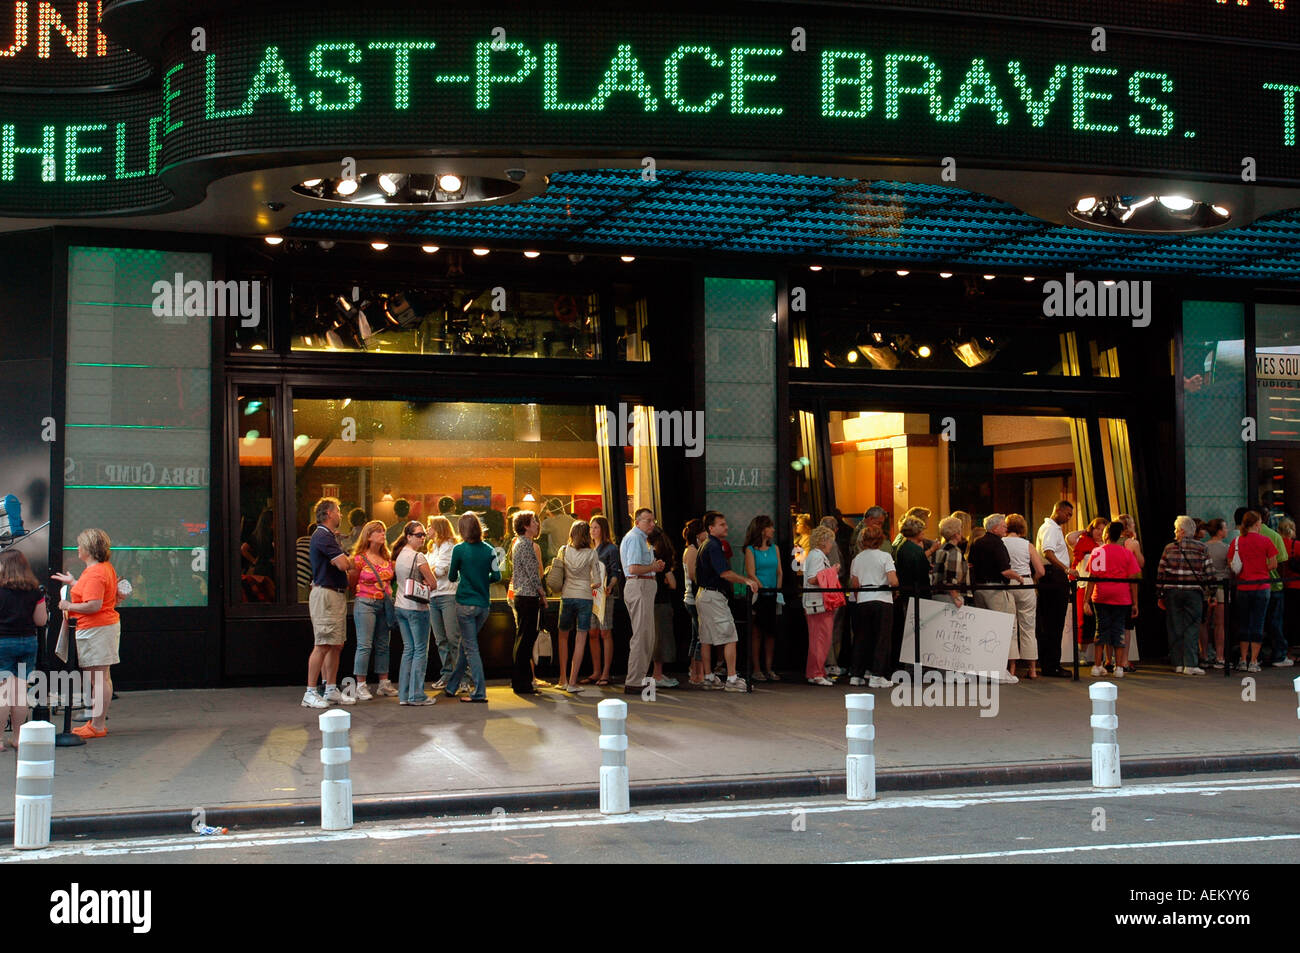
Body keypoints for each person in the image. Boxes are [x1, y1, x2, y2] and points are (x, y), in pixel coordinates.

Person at [51, 527, 123, 735]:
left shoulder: (94, 573)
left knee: (98, 679)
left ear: (89, 549)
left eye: (80, 544)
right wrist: (73, 582)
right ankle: (96, 722)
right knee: (101, 677)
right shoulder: (103, 568)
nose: (77, 548)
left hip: (96, 629)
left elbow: (93, 605)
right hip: (102, 627)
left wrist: (68, 606)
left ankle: (97, 725)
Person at [297, 499, 356, 708]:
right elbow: (344, 563)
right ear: (329, 513)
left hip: (335, 594)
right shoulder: (322, 536)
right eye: (339, 511)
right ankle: (310, 692)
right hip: (326, 595)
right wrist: (344, 561)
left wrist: (344, 561)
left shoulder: (329, 537)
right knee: (322, 643)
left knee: (336, 644)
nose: (341, 515)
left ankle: (330, 688)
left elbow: (343, 563)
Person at [696, 510, 758, 691]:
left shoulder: (705, 544)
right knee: (730, 635)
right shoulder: (714, 546)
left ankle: (708, 677)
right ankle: (731, 679)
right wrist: (746, 580)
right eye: (722, 524)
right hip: (713, 595)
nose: (726, 527)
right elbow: (724, 572)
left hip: (703, 595)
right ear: (711, 527)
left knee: (706, 637)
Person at [443, 513, 500, 703]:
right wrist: (483, 579)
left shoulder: (459, 549)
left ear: (462, 530)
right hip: (483, 605)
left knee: (470, 648)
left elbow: (451, 577)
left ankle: (479, 692)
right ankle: (452, 686)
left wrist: (465, 578)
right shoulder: (490, 549)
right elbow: (497, 576)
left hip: (465, 603)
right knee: (466, 645)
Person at [0, 550, 47, 750]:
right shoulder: (35, 590)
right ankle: (19, 738)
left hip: (2, 642)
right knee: (19, 693)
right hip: (27, 642)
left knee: (3, 693)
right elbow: (41, 620)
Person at [1156, 516, 1214, 676]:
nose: (1175, 532)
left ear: (1181, 531)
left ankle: (1178, 663)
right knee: (1192, 626)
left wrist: (1159, 593)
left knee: (1175, 626)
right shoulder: (1202, 548)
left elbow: (1161, 572)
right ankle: (1191, 663)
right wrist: (1212, 593)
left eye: (1176, 529)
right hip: (1193, 592)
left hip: (1172, 592)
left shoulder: (1169, 548)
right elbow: (1209, 573)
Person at [968, 515, 1021, 683]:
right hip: (995, 590)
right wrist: (1019, 578)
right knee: (1000, 631)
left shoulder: (978, 542)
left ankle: (984, 670)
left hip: (979, 589)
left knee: (984, 631)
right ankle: (999, 670)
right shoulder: (998, 544)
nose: (1006, 528)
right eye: (1003, 526)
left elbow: (971, 565)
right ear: (994, 528)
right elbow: (1005, 571)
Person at [349, 519, 397, 700]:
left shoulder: (387, 558)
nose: (382, 534)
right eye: (378, 531)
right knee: (365, 644)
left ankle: (383, 682)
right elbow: (352, 582)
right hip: (365, 602)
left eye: (383, 531)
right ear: (368, 536)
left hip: (384, 604)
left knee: (383, 644)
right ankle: (361, 684)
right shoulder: (359, 559)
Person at [1084, 521, 1140, 677]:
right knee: (1119, 630)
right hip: (1122, 597)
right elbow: (1133, 579)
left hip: (1100, 595)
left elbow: (1092, 577)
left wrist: (1086, 600)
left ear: (1106, 534)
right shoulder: (1127, 553)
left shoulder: (1097, 552)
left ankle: (1097, 665)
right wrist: (1135, 602)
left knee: (1100, 629)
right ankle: (1119, 668)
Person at [391, 521, 436, 705]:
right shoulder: (418, 557)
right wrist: (426, 584)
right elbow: (433, 583)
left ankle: (404, 695)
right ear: (408, 536)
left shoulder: (400, 554)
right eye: (418, 535)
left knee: (408, 649)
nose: (422, 538)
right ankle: (417, 695)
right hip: (417, 608)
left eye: (424, 534)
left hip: (400, 605)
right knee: (419, 651)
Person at [621, 508, 665, 696]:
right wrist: (653, 567)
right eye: (648, 520)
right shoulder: (635, 538)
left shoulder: (640, 539)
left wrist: (653, 567)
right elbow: (633, 568)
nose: (652, 524)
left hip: (643, 586)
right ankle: (634, 681)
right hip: (639, 586)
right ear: (637, 522)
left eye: (652, 520)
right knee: (642, 635)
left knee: (646, 635)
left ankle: (638, 678)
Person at [1228, 510, 1277, 673]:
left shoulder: (1236, 541)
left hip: (1243, 586)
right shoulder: (1266, 541)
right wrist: (1261, 568)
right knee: (1258, 622)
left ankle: (1243, 659)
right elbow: (1273, 564)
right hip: (1262, 586)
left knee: (1243, 623)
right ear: (1257, 524)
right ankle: (1254, 660)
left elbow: (1231, 564)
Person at [848, 524, 896, 688]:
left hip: (863, 599)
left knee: (861, 638)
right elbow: (893, 580)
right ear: (880, 539)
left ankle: (856, 674)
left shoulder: (857, 559)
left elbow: (854, 584)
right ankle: (877, 675)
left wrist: (859, 596)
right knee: (882, 638)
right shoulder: (885, 557)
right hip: (882, 599)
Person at [559, 520, 601, 692]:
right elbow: (597, 581)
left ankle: (562, 678)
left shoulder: (563, 550)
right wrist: (589, 585)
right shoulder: (592, 554)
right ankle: (573, 682)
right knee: (580, 639)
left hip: (566, 596)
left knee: (563, 637)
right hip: (584, 597)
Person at [426, 516, 467, 693]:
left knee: (453, 638)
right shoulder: (431, 548)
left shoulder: (449, 546)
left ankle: (463, 677)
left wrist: (428, 570)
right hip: (433, 596)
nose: (427, 529)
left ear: (439, 528)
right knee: (440, 639)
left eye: (430, 526)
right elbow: (430, 570)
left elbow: (441, 571)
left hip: (449, 595)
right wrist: (430, 570)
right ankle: (448, 673)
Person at [1035, 500, 1075, 678]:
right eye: (1067, 514)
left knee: (1050, 623)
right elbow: (1048, 552)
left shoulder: (1049, 528)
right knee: (1054, 622)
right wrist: (1065, 569)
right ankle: (1052, 665)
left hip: (1051, 576)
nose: (1068, 518)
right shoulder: (1051, 528)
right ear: (1057, 510)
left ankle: (1049, 663)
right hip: (1054, 576)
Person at [508, 509, 545, 695]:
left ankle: (519, 681)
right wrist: (542, 594)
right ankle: (522, 683)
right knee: (526, 640)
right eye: (534, 521)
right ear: (525, 526)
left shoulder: (519, 544)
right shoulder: (525, 545)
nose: (537, 524)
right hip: (528, 597)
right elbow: (533, 573)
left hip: (521, 595)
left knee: (522, 639)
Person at [1004, 514, 1044, 679]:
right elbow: (1041, 570)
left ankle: (1012, 668)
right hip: (1026, 584)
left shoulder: (1001, 543)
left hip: (1007, 584)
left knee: (1010, 627)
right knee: (1028, 626)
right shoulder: (1028, 545)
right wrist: (1033, 579)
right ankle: (1032, 669)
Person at [584, 515, 622, 686]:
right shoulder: (589, 548)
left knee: (605, 631)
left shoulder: (611, 549)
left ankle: (606, 672)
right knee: (592, 632)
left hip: (605, 593)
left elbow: (615, 572)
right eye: (591, 527)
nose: (593, 531)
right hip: (590, 594)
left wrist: (611, 585)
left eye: (596, 527)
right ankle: (596, 671)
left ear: (604, 529)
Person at [743, 515, 782, 682]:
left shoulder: (775, 548)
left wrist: (777, 589)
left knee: (771, 632)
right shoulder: (750, 550)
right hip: (758, 595)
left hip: (773, 594)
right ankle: (756, 669)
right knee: (757, 631)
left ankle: (769, 668)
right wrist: (762, 587)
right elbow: (751, 572)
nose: (773, 530)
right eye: (770, 527)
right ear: (762, 530)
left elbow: (779, 571)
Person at [891, 517, 933, 669]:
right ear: (917, 532)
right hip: (916, 593)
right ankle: (914, 666)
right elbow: (921, 573)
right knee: (915, 632)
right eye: (922, 530)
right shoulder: (915, 550)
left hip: (905, 592)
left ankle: (907, 665)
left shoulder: (900, 546)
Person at [1254, 505, 1292, 667]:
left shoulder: (1246, 537)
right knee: (1275, 621)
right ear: (1266, 517)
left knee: (1256, 622)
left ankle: (1257, 655)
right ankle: (1279, 655)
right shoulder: (1273, 536)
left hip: (1252, 585)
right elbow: (1283, 561)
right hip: (1274, 585)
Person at [802, 525, 840, 686]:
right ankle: (816, 672)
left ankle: (816, 671)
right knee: (821, 639)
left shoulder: (813, 555)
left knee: (819, 639)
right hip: (818, 603)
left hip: (815, 603)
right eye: (830, 541)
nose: (831, 545)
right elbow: (812, 579)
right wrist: (832, 571)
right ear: (824, 541)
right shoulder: (817, 556)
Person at [1073, 517, 1108, 667]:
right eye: (1097, 528)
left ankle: (1106, 656)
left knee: (1103, 621)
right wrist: (1085, 531)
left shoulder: (1108, 546)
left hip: (1102, 587)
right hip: (1084, 585)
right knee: (1084, 621)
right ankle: (1082, 654)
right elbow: (1070, 537)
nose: (1099, 532)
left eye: (1102, 529)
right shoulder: (1083, 542)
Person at [648, 526, 679, 689]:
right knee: (661, 639)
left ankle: (656, 674)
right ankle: (657, 674)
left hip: (651, 601)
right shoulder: (661, 559)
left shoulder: (648, 557)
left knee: (655, 639)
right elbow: (673, 583)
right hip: (662, 601)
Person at [1117, 514, 1145, 673]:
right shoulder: (1132, 544)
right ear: (1129, 526)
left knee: (1111, 625)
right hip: (1127, 587)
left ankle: (1110, 659)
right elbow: (1140, 563)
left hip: (1110, 586)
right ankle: (1124, 660)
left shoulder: (1110, 543)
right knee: (1126, 627)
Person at [681, 518, 707, 686]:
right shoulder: (691, 551)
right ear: (699, 534)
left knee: (695, 635)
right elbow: (692, 574)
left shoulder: (693, 549)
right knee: (700, 636)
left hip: (691, 597)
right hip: (693, 597)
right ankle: (697, 673)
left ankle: (693, 669)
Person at [1202, 518, 1230, 668]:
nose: (1227, 530)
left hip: (1206, 587)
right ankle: (1220, 656)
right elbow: (1231, 567)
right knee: (1220, 624)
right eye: (1225, 528)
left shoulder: (1203, 547)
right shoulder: (1226, 548)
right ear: (1219, 531)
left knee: (1204, 624)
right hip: (1221, 587)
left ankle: (1204, 654)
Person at [930, 516, 967, 607]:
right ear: (956, 533)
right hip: (950, 596)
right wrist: (955, 597)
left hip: (937, 593)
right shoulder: (954, 550)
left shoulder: (940, 549)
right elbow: (950, 576)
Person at [1280, 517, 1300, 665]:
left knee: (1285, 619)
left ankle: (1286, 650)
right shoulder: (1297, 545)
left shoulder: (1279, 544)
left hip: (1283, 586)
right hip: (1297, 585)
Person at [791, 513, 814, 579]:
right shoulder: (798, 539)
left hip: (805, 574)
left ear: (807, 526)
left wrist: (795, 554)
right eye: (797, 522)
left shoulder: (809, 539)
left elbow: (804, 558)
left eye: (799, 523)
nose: (797, 524)